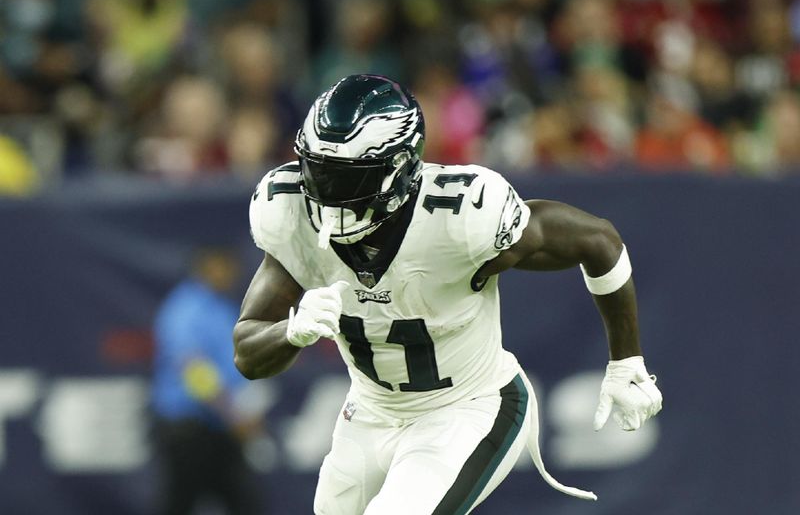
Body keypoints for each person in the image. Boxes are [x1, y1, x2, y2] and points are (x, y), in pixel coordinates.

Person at [234, 74, 663, 514]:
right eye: (316, 171)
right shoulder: (291, 217)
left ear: (397, 168)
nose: (325, 195)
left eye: (344, 179)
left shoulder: (461, 219)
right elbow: (246, 353)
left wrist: (627, 359)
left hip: (468, 406)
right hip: (369, 413)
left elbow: (598, 241)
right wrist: (292, 331)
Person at [152, 248, 265, 515]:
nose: (232, 274)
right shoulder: (185, 308)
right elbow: (192, 368)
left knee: (244, 502)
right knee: (180, 503)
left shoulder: (221, 307)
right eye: (225, 266)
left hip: (218, 429)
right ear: (208, 266)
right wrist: (233, 414)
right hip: (188, 430)